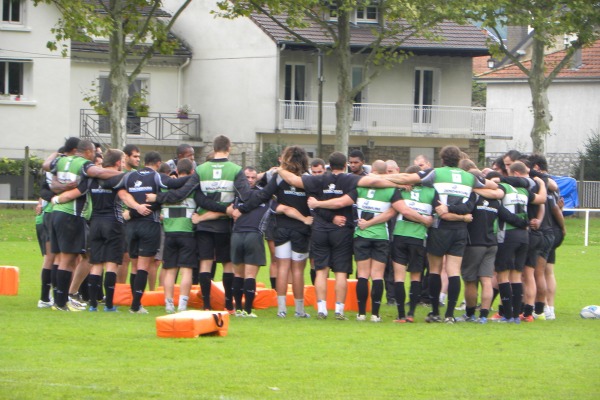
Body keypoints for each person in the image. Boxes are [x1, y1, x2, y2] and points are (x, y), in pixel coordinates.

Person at [279, 151, 399, 320]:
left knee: (321, 271)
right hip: (342, 230)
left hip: (320, 230)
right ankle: (339, 310)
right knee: (341, 272)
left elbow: (293, 180)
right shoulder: (350, 179)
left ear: (329, 165)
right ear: (345, 165)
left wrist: (279, 169)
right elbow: (372, 182)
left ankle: (321, 309)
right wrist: (402, 182)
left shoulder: (318, 179)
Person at [386, 146, 499, 323]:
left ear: (443, 159)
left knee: (435, 270)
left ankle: (435, 312)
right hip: (460, 228)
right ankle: (450, 315)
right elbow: (493, 186)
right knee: (453, 272)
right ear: (459, 159)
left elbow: (407, 178)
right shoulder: (470, 177)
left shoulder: (436, 173)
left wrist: (380, 178)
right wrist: (472, 189)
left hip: (439, 226)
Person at [147, 135, 254, 313]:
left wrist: (158, 197)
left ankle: (206, 305)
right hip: (224, 224)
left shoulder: (201, 169)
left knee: (205, 264)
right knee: (227, 264)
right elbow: (246, 196)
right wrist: (229, 209)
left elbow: (185, 193)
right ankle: (229, 305)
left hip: (203, 224)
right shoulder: (235, 169)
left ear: (214, 148)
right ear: (229, 148)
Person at [44, 140, 121, 311]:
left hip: (56, 213)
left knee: (63, 260)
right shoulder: (84, 164)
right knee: (68, 260)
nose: (94, 155)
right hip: (71, 214)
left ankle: (61, 300)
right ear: (88, 151)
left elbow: (46, 165)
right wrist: (123, 175)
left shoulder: (62, 161)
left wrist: (56, 154)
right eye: (93, 152)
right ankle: (61, 302)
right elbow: (99, 172)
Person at [390, 165, 435, 323]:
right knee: (416, 277)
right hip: (418, 237)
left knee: (399, 277)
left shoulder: (400, 191)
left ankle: (401, 315)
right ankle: (411, 314)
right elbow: (435, 214)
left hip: (400, 235)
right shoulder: (431, 192)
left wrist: (399, 184)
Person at [160, 158, 197, 314]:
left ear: (176, 171)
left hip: (169, 232)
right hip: (187, 232)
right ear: (192, 172)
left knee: (170, 270)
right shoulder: (193, 188)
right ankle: (182, 304)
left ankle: (169, 304)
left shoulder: (165, 189)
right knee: (186, 270)